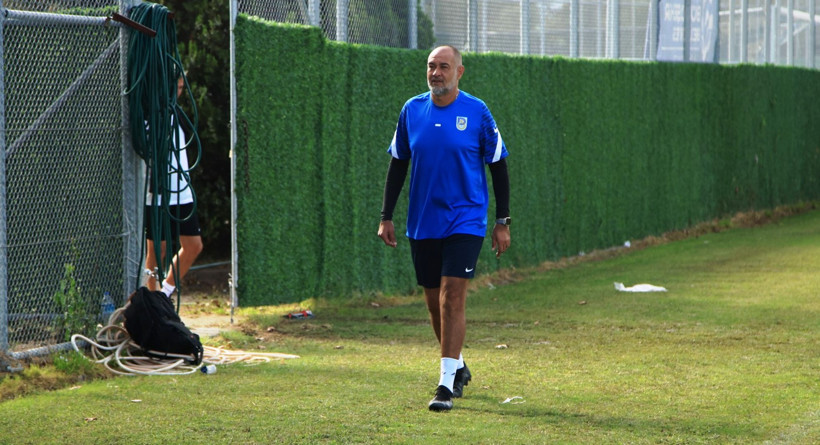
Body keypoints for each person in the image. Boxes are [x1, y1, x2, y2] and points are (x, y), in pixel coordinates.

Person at [377, 45, 511, 412]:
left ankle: (445, 385)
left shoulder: (477, 111)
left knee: (453, 296)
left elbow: (498, 164)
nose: (436, 72)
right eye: (431, 66)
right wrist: (385, 215)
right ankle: (459, 365)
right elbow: (398, 164)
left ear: (459, 72)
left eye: (444, 67)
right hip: (423, 222)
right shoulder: (411, 110)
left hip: (465, 220)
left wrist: (502, 221)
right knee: (435, 304)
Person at [143, 74, 203, 297]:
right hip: (158, 192)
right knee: (157, 249)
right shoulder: (151, 114)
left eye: (181, 89)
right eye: (175, 88)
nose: (178, 93)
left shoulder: (177, 113)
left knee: (194, 245)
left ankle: (164, 294)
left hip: (182, 191)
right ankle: (152, 298)